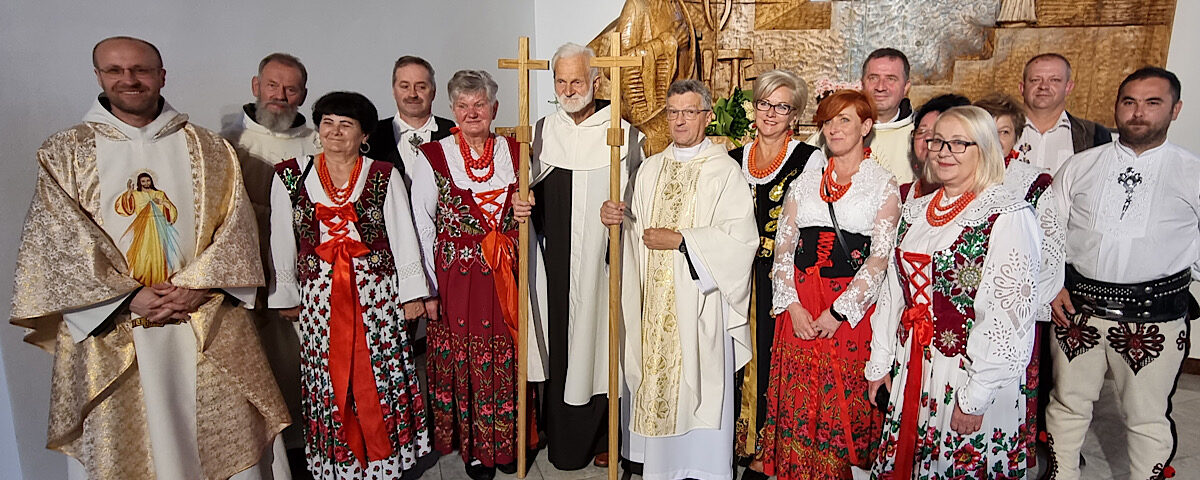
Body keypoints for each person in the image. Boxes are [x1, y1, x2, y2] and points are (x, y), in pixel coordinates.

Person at [9, 36, 289, 479]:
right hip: (115, 327)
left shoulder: (208, 148)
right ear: (98, 76)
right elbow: (57, 240)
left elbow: (237, 227)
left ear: (161, 76)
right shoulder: (65, 152)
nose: (129, 79)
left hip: (203, 318)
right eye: (115, 70)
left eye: (140, 70)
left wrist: (197, 287)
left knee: (227, 438)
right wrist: (126, 297)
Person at [867, 106, 1040, 479]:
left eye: (959, 143)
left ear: (985, 148)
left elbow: (1008, 315)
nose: (944, 152)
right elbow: (893, 293)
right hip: (915, 361)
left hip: (967, 370)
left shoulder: (1006, 214)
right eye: (938, 142)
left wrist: (976, 395)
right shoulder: (916, 211)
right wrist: (880, 362)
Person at [268, 91, 431, 478]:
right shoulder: (290, 175)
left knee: (379, 374)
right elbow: (281, 237)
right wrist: (286, 292)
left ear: (364, 135)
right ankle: (339, 465)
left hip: (377, 297)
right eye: (327, 122)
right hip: (320, 299)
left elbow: (403, 234)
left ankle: (385, 462)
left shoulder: (383, 174)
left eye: (346, 124)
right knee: (330, 377)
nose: (335, 131)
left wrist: (412, 295)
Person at [601, 79, 757, 480]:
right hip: (655, 305)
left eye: (689, 112)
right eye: (673, 113)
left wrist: (683, 241)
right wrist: (615, 221)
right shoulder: (650, 169)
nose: (680, 120)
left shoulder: (725, 171)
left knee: (701, 386)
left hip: (701, 302)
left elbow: (741, 240)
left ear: (707, 116)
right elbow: (635, 233)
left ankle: (705, 469)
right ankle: (662, 467)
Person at [1045, 67, 1195, 480]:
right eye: (1129, 102)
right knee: (1068, 404)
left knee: (1146, 416)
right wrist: (1052, 285)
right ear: (1116, 107)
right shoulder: (1081, 166)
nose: (1138, 112)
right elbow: (1048, 230)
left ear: (1175, 109)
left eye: (1152, 103)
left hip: (1155, 316)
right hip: (1078, 310)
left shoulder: (1192, 172)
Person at [408, 69, 549, 480]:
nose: (472, 113)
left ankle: (509, 444)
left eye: (480, 104)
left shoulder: (516, 151)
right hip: (458, 279)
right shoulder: (433, 156)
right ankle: (475, 450)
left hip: (507, 274)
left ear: (494, 108)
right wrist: (427, 289)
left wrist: (527, 206)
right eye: (463, 105)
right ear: (452, 110)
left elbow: (534, 208)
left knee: (509, 356)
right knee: (467, 361)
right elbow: (422, 225)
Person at [754, 89, 898, 480]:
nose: (834, 128)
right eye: (828, 121)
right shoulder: (806, 181)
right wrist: (792, 305)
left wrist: (838, 312)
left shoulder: (882, 184)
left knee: (842, 401)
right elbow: (783, 247)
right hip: (800, 304)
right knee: (799, 398)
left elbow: (880, 259)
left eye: (844, 120)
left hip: (848, 310)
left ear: (866, 127)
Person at [528, 42, 644, 471]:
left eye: (577, 80)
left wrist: (623, 215)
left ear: (596, 82)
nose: (568, 89)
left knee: (601, 345)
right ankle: (559, 435)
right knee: (559, 340)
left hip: (602, 262)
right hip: (555, 263)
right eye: (561, 81)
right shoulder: (543, 131)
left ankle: (605, 436)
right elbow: (527, 196)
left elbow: (642, 204)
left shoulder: (624, 134)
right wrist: (521, 205)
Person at [721, 69, 824, 470]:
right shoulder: (733, 159)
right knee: (732, 358)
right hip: (735, 274)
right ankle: (730, 443)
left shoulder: (808, 159)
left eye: (781, 107)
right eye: (764, 103)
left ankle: (765, 452)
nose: (770, 113)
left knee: (769, 360)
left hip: (781, 277)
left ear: (794, 115)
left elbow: (813, 224)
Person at [221, 51, 322, 457]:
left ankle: (306, 445)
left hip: (304, 266)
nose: (280, 96)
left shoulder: (317, 142)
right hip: (244, 262)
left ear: (303, 95)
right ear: (256, 86)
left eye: (291, 89)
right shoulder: (228, 142)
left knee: (299, 357)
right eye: (272, 86)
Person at [975, 92, 1065, 469]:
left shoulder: (1032, 181)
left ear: (1017, 137)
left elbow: (1050, 247)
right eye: (988, 130)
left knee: (1004, 387)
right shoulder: (959, 173)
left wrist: (1026, 306)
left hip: (1010, 306)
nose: (996, 141)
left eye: (1005, 132)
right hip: (962, 304)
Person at [808, 48, 916, 183]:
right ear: (862, 83)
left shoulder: (919, 135)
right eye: (873, 78)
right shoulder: (832, 132)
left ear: (906, 87)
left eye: (891, 79)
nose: (880, 87)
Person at [367, 55, 456, 188]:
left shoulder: (452, 132)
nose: (412, 94)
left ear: (433, 92)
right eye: (405, 86)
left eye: (421, 87)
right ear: (394, 91)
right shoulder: (374, 134)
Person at [1016, 53, 1111, 175]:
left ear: (1068, 87)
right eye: (1035, 80)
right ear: (1022, 88)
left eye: (1054, 80)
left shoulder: (1095, 136)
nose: (1044, 86)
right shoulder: (996, 129)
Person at [902, 93, 971, 202]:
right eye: (922, 131)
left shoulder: (980, 202)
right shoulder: (902, 194)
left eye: (937, 132)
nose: (928, 138)